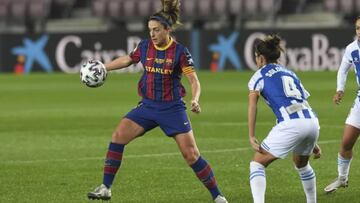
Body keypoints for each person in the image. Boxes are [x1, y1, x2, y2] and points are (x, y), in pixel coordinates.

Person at [86, 0, 228, 202]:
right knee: (118, 136)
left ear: (167, 30)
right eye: (150, 30)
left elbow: (194, 80)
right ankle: (105, 188)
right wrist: (103, 67)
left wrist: (195, 99)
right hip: (147, 106)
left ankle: (218, 196)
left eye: (156, 30)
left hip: (172, 108)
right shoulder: (145, 46)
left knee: (191, 155)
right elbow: (128, 59)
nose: (152, 34)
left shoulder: (180, 52)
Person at [247, 34, 321, 203]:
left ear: (261, 58)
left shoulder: (258, 76)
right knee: (301, 164)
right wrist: (313, 141)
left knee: (257, 164)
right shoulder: (290, 73)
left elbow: (252, 106)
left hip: (292, 124)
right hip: (312, 121)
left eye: (256, 57)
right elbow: (301, 102)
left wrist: (251, 136)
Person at [324, 16, 360, 193]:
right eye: (358, 28)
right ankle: (342, 179)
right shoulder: (352, 49)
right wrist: (340, 90)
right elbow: (343, 70)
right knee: (346, 142)